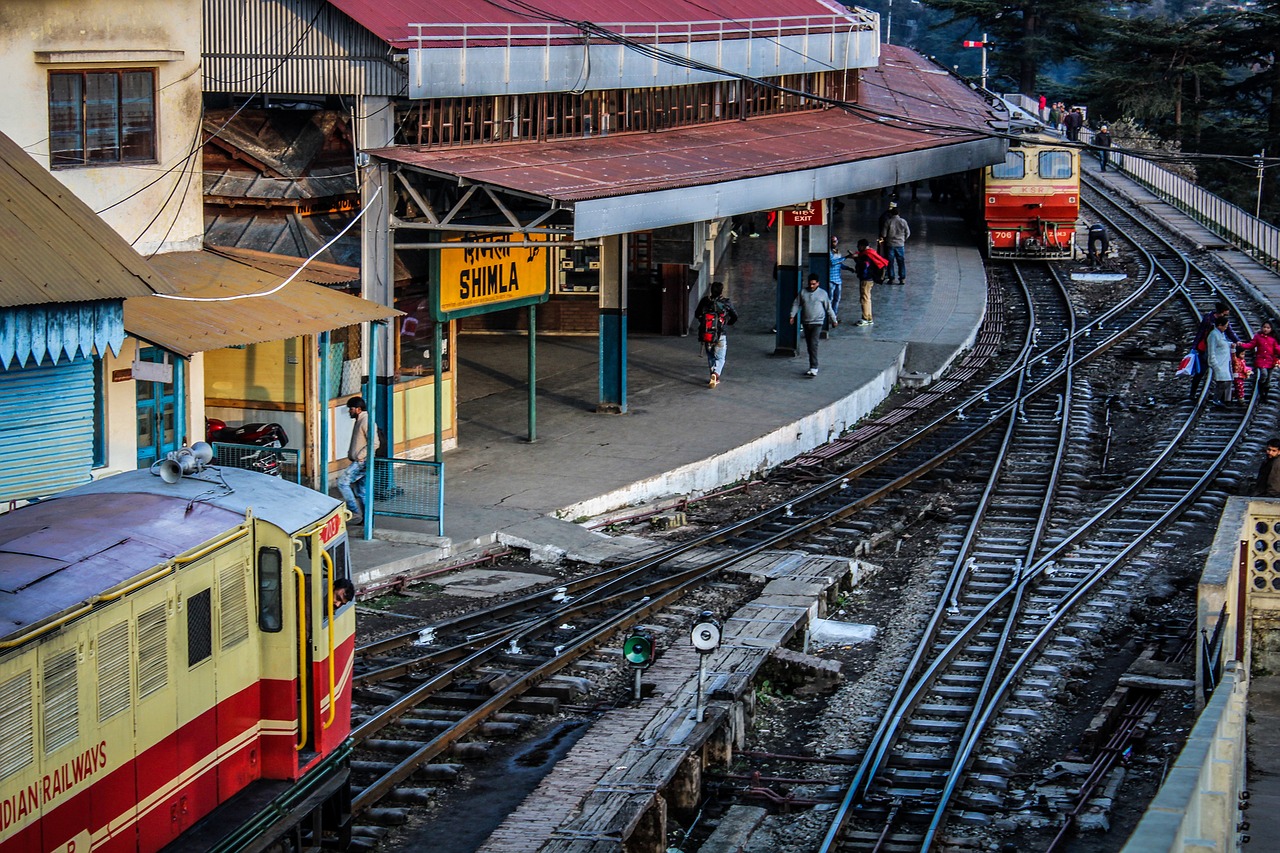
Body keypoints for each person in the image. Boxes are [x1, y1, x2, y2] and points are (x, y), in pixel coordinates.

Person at [338, 395, 380, 525]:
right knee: (362, 492)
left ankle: (354, 511)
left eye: (351, 409)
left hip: (362, 461)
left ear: (358, 409)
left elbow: (374, 443)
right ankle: (367, 519)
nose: (349, 411)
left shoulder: (365, 421)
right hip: (362, 461)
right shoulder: (361, 420)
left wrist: (359, 456)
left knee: (342, 483)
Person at [790, 273, 838, 376]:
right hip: (807, 322)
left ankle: (814, 367)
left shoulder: (822, 294)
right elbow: (796, 304)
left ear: (818, 283)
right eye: (810, 284)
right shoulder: (803, 292)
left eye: (814, 284)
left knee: (813, 344)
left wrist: (834, 319)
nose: (811, 286)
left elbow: (828, 307)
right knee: (809, 345)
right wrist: (792, 315)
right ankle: (812, 365)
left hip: (818, 322)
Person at [694, 280, 738, 388]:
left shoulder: (705, 301)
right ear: (721, 291)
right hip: (720, 333)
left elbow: (697, 314)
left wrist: (704, 323)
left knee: (710, 355)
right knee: (721, 357)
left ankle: (712, 376)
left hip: (706, 333)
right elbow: (735, 316)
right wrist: (727, 322)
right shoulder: (725, 302)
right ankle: (716, 374)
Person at [1238, 319, 1280, 403]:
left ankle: (1264, 396)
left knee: (1268, 379)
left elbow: (1277, 348)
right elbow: (1251, 344)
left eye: (1268, 328)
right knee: (1264, 375)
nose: (1266, 329)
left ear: (1271, 329)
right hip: (1261, 360)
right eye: (1264, 327)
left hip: (1271, 361)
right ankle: (1261, 391)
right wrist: (1242, 345)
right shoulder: (1258, 337)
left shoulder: (1273, 339)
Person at [852, 238, 884, 326]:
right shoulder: (871, 252)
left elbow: (864, 266)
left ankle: (865, 318)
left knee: (864, 299)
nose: (858, 248)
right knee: (867, 298)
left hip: (866, 279)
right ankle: (869, 317)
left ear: (862, 246)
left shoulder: (866, 255)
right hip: (870, 279)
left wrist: (856, 259)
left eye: (859, 246)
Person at [1206, 316, 1235, 409]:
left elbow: (1223, 344)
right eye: (1225, 326)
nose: (1226, 328)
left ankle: (1224, 400)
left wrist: (1231, 344)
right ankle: (1217, 400)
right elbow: (1211, 351)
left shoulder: (1221, 334)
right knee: (1221, 382)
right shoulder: (1213, 335)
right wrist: (1214, 363)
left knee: (1226, 381)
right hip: (1218, 362)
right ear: (1219, 325)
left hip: (1224, 362)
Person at [881, 207, 911, 285]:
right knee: (901, 262)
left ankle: (892, 278)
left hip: (890, 244)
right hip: (900, 244)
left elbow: (883, 234)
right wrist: (903, 240)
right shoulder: (903, 221)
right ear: (898, 213)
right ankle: (902, 279)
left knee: (890, 262)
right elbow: (908, 233)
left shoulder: (888, 221)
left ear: (891, 213)